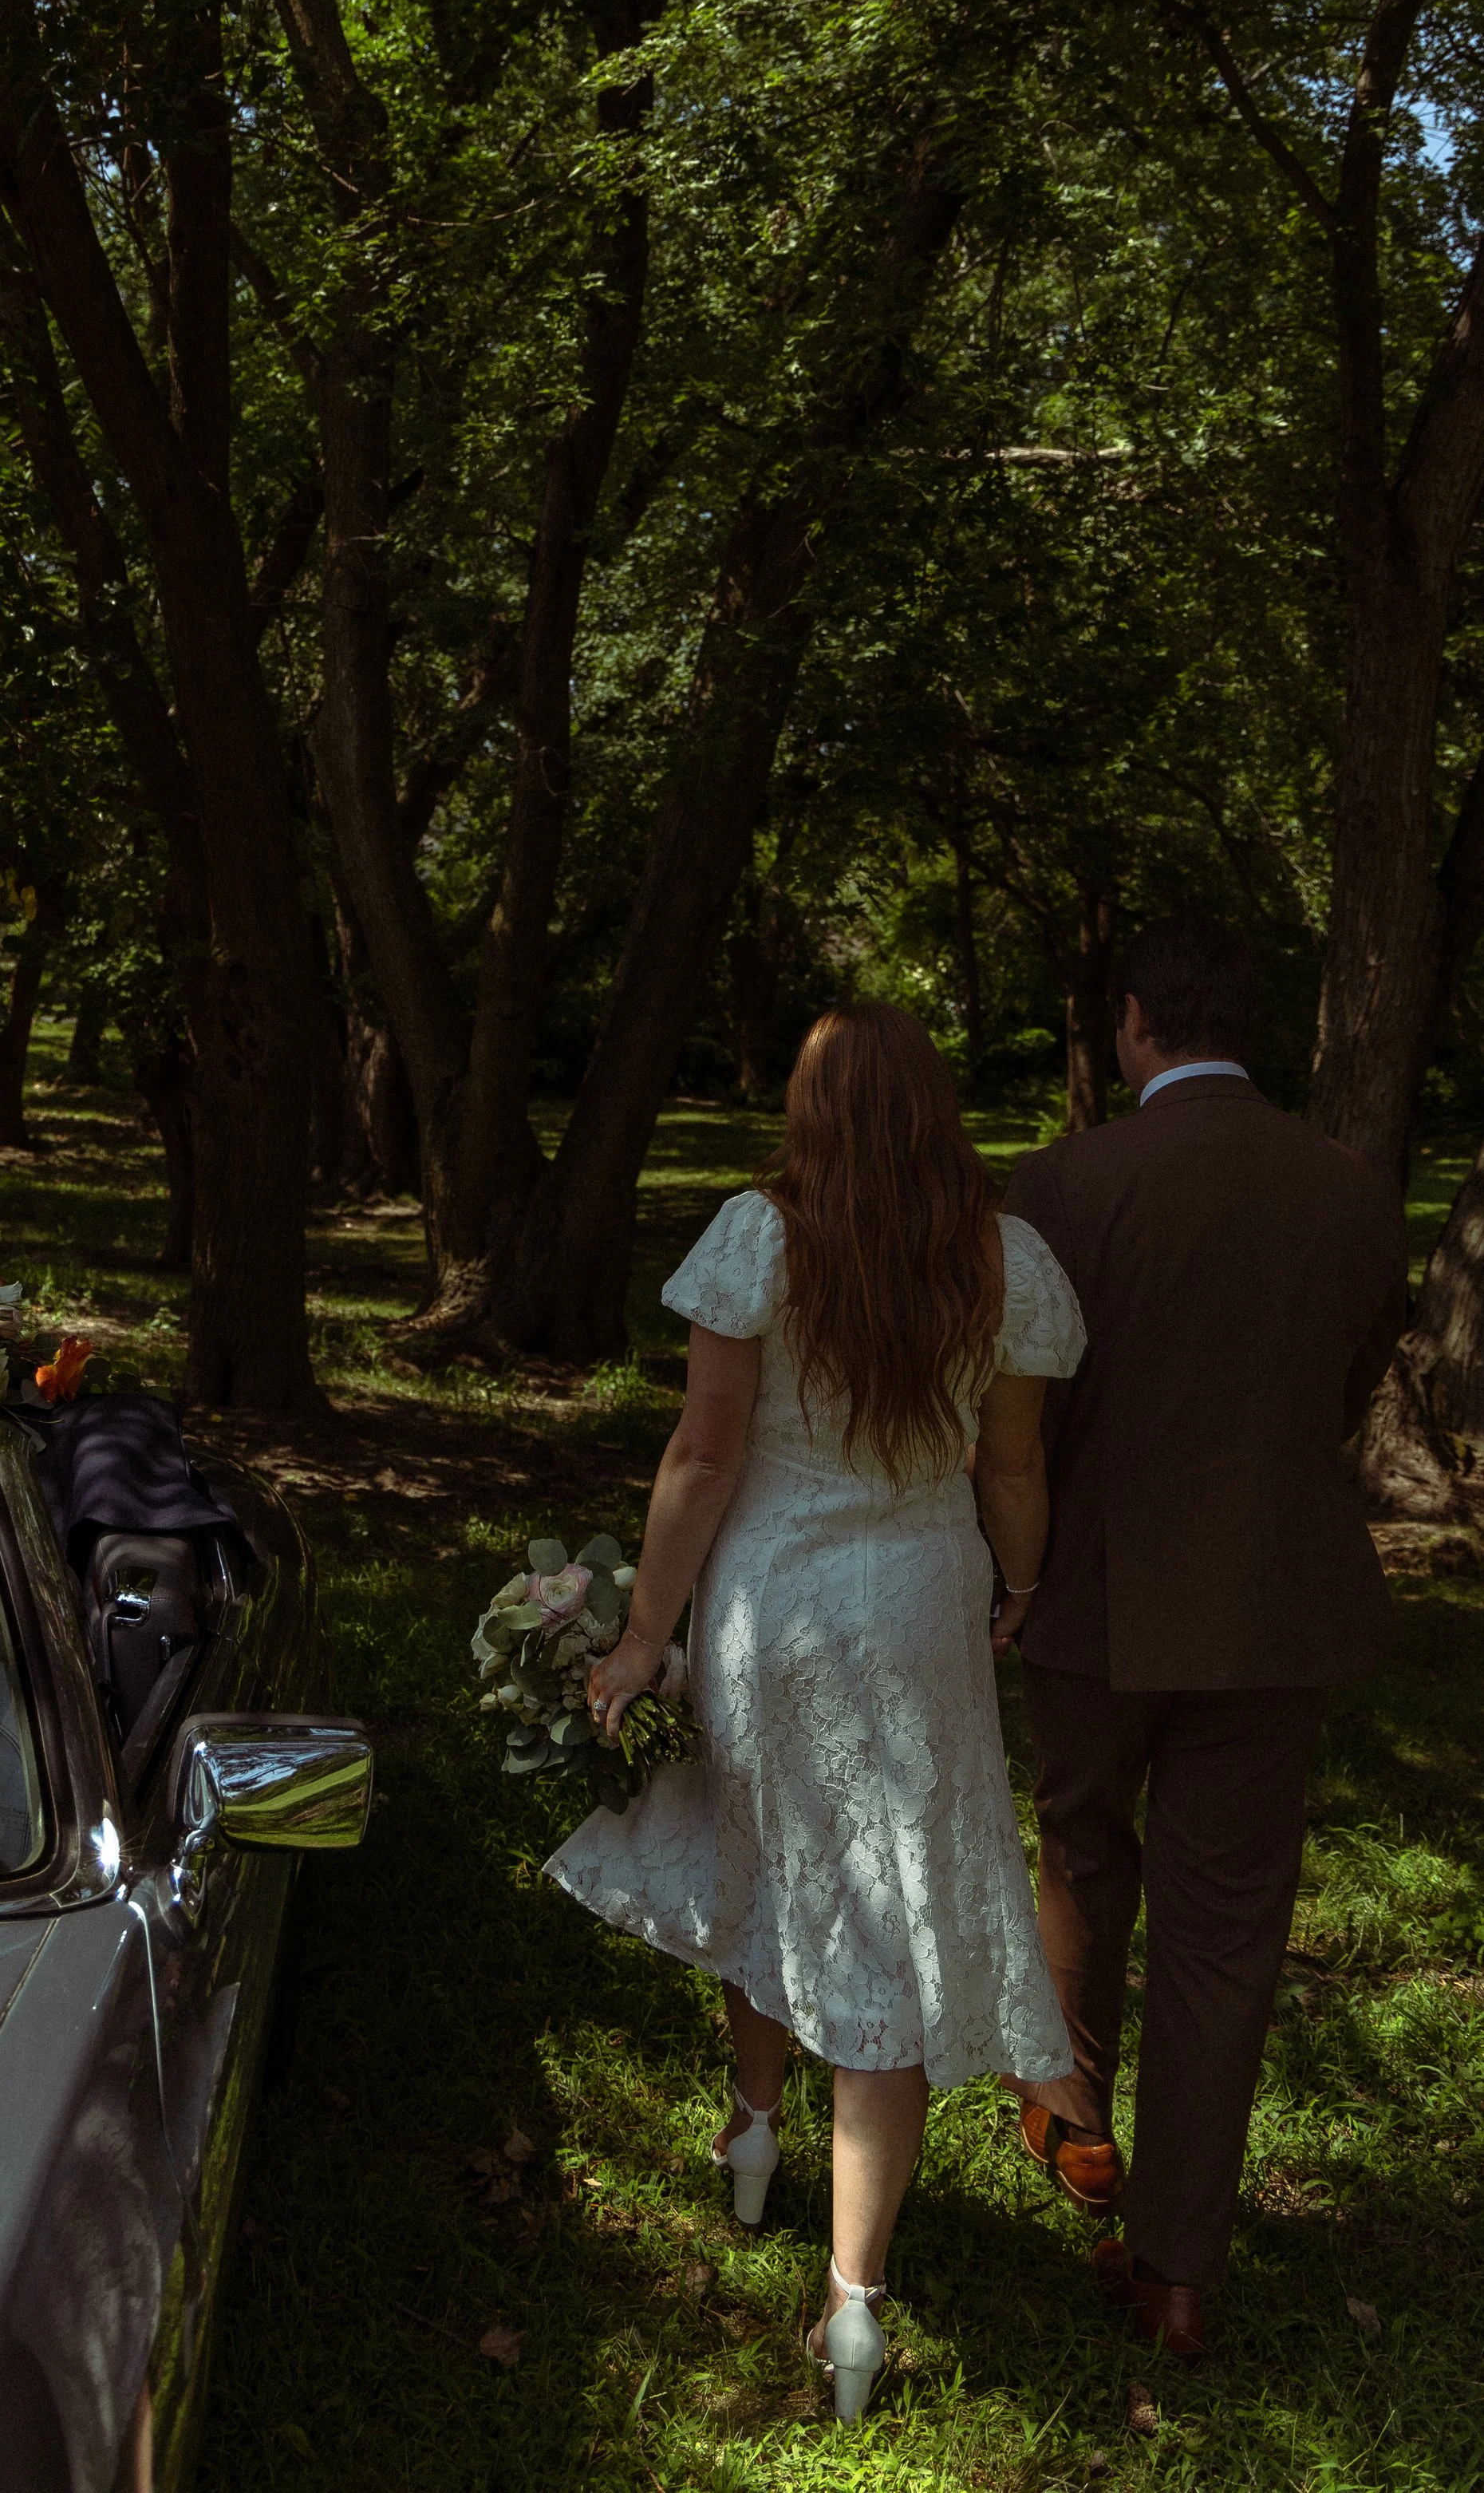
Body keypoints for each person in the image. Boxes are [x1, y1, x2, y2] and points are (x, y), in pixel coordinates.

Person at [549, 1001, 1084, 2423]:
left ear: (813, 1112)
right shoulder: (1004, 1259)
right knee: (885, 1928)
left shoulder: (761, 1240)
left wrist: (645, 1634)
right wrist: (1024, 1580)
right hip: (917, 1601)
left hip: (773, 1598)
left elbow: (704, 1455)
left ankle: (753, 2129)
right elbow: (1011, 1466)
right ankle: (854, 2300)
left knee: (766, 1860)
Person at [1001, 913, 1407, 2361]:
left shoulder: (1064, 1181)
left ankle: (1073, 2116)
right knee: (1226, 1929)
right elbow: (1351, 1378)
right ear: (1249, 1027)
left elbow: (1023, 1411)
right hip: (1270, 1603)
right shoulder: (1352, 1187)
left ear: (1133, 1022)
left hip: (1093, 1587)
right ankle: (1177, 2273)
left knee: (1078, 1842)